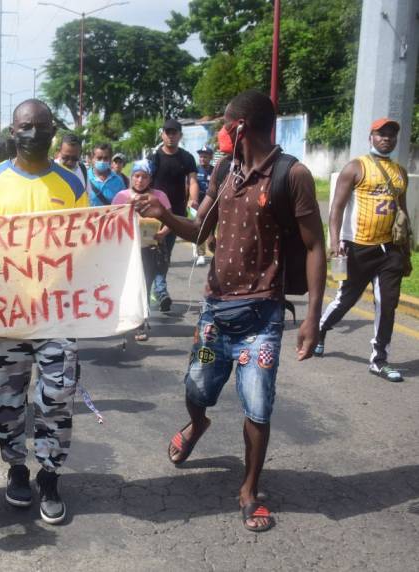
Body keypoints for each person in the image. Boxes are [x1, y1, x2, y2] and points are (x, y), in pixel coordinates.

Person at [133, 90, 325, 533]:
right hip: (214, 320)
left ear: (242, 127)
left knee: (258, 405)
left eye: (225, 124)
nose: (220, 132)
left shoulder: (291, 175)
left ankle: (249, 490)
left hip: (262, 322)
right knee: (197, 385)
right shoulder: (224, 169)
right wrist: (164, 213)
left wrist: (313, 318)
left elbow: (316, 246)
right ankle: (197, 424)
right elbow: (200, 229)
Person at [0, 99, 88, 526]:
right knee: (8, 401)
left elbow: (95, 247)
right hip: (7, 318)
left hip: (57, 316)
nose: (33, 133)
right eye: (24, 126)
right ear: (12, 132)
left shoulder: (73, 186)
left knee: (57, 400)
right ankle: (16, 469)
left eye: (41, 126)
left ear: (54, 130)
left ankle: (50, 475)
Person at [317, 118, 410, 382]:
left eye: (392, 134)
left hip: (389, 249)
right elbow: (336, 207)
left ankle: (379, 360)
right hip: (357, 247)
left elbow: (402, 210)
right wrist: (335, 241)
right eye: (382, 134)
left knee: (387, 303)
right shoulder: (355, 168)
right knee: (346, 300)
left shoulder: (400, 173)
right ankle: (321, 329)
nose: (387, 139)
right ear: (371, 137)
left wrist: (406, 246)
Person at [112, 160, 171, 341]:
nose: (140, 180)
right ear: (132, 177)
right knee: (129, 285)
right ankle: (126, 319)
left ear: (150, 179)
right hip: (128, 250)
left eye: (144, 177)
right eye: (137, 176)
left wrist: (162, 233)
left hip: (150, 248)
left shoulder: (159, 196)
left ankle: (141, 323)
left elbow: (170, 218)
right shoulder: (121, 196)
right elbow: (113, 221)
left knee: (144, 285)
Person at [149, 118, 199, 311]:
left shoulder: (187, 158)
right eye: (167, 132)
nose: (170, 136)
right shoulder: (155, 157)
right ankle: (158, 289)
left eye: (174, 132)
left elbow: (193, 181)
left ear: (180, 135)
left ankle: (158, 288)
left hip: (175, 215)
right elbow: (145, 181)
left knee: (165, 253)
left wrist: (192, 200)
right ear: (162, 134)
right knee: (150, 253)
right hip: (152, 214)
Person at [192, 145, 215, 266]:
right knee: (199, 228)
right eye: (201, 156)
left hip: (211, 203)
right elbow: (189, 186)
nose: (202, 159)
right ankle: (200, 254)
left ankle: (214, 251)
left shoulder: (215, 170)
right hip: (198, 203)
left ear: (211, 157)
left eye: (205, 157)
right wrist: (190, 200)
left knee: (211, 230)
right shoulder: (195, 170)